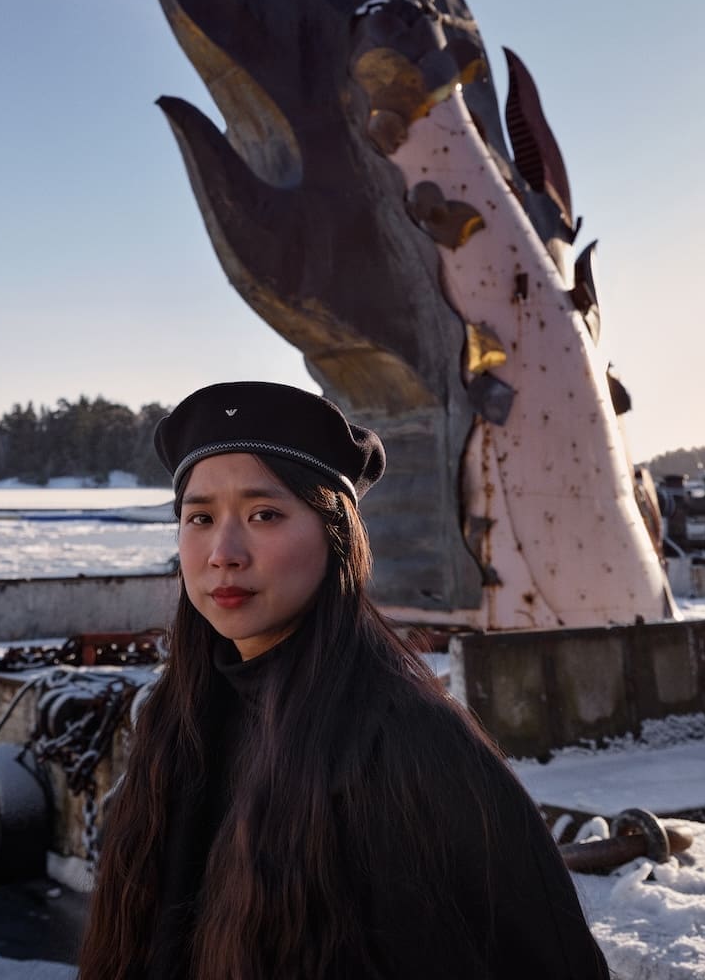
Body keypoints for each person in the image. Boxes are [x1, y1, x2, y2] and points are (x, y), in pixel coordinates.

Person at [78, 380, 611, 980]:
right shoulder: (180, 721)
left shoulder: (406, 743)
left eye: (264, 514)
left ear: (337, 538)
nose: (222, 552)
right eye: (199, 516)